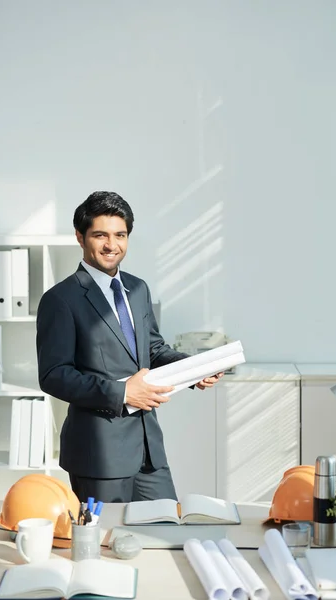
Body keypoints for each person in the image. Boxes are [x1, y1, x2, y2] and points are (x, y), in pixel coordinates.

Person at [36, 191, 223, 503]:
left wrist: (193, 370)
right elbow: (54, 375)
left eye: (120, 235)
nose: (112, 245)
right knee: (107, 545)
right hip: (98, 453)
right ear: (80, 238)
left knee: (164, 532)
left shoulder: (137, 289)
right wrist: (122, 393)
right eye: (101, 235)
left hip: (149, 451)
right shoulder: (60, 300)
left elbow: (153, 348)